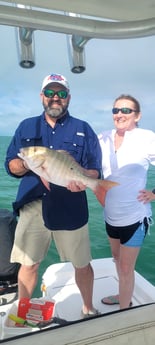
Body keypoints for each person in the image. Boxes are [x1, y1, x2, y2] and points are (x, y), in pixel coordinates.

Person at [5, 73, 102, 318]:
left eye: (60, 93)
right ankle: (23, 312)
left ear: (68, 97)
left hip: (71, 206)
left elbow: (94, 168)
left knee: (81, 263)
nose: (55, 98)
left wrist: (85, 179)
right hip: (32, 206)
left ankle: (88, 308)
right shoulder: (26, 126)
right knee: (29, 263)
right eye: (50, 93)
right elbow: (11, 165)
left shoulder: (83, 128)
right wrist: (30, 163)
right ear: (42, 97)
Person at [98, 94, 155, 309]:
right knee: (116, 258)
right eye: (115, 110)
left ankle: (124, 310)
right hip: (110, 215)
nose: (119, 114)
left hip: (135, 216)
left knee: (125, 266)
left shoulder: (146, 137)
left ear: (137, 115)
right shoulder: (103, 137)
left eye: (126, 110)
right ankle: (124, 294)